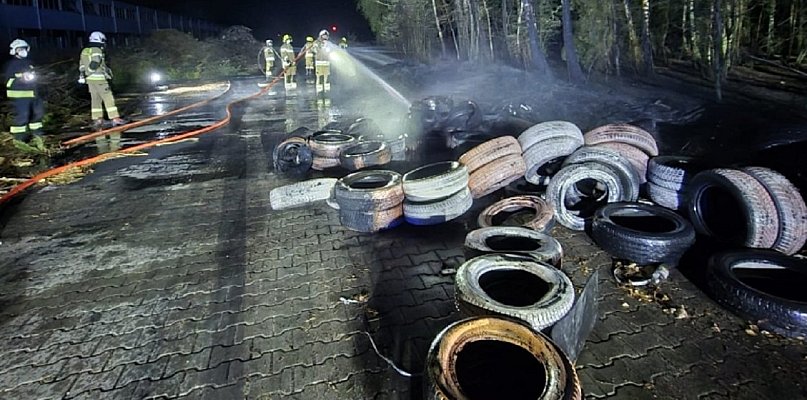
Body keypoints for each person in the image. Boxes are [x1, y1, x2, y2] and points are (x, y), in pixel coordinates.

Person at [4, 39, 45, 150]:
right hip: (20, 96)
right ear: (15, 51)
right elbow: (8, 81)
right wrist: (21, 79)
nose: (23, 51)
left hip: (33, 95)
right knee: (22, 117)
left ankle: (38, 136)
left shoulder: (29, 63)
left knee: (37, 115)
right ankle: (19, 140)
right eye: (20, 49)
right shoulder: (12, 65)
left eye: (24, 49)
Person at [79, 31, 124, 129]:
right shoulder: (97, 49)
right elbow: (96, 62)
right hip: (99, 79)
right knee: (108, 98)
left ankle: (97, 119)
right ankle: (115, 118)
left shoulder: (85, 50)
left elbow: (82, 66)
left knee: (95, 99)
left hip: (89, 80)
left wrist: (85, 74)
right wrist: (92, 70)